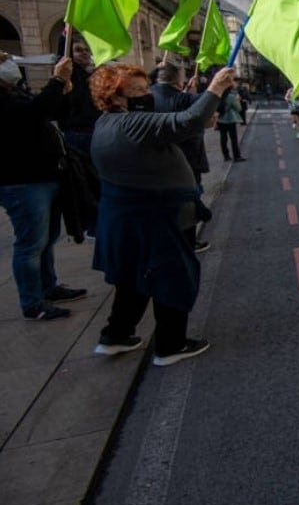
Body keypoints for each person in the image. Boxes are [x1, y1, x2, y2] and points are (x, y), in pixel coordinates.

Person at [89, 63, 235, 365]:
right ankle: (171, 345)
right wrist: (216, 88)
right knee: (171, 277)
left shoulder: (106, 123)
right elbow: (187, 121)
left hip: (129, 218)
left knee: (132, 281)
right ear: (115, 96)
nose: (147, 95)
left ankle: (115, 336)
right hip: (154, 219)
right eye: (138, 91)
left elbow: (170, 131)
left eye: (147, 89)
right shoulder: (130, 123)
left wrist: (200, 121)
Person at [0, 51, 88, 320]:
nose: (7, 59)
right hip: (22, 182)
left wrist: (63, 91)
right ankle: (32, 303)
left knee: (48, 238)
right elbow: (31, 114)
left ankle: (48, 287)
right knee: (31, 243)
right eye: (1, 58)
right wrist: (56, 82)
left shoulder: (16, 91)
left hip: (44, 175)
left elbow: (49, 113)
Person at [151, 62, 211, 253]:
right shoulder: (180, 99)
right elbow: (206, 106)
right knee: (188, 200)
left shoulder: (148, 95)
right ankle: (189, 242)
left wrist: (187, 94)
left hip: (157, 159)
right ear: (177, 79)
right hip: (186, 158)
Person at [56, 36, 99, 237]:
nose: (85, 53)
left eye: (86, 50)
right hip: (78, 136)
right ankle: (92, 224)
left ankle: (97, 221)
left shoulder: (85, 76)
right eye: (78, 50)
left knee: (97, 180)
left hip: (92, 133)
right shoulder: (66, 80)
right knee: (87, 182)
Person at [217, 84, 245, 161]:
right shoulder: (231, 97)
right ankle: (236, 156)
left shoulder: (219, 95)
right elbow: (238, 108)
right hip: (230, 120)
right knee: (233, 139)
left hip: (220, 119)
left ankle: (226, 156)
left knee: (223, 138)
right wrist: (238, 100)